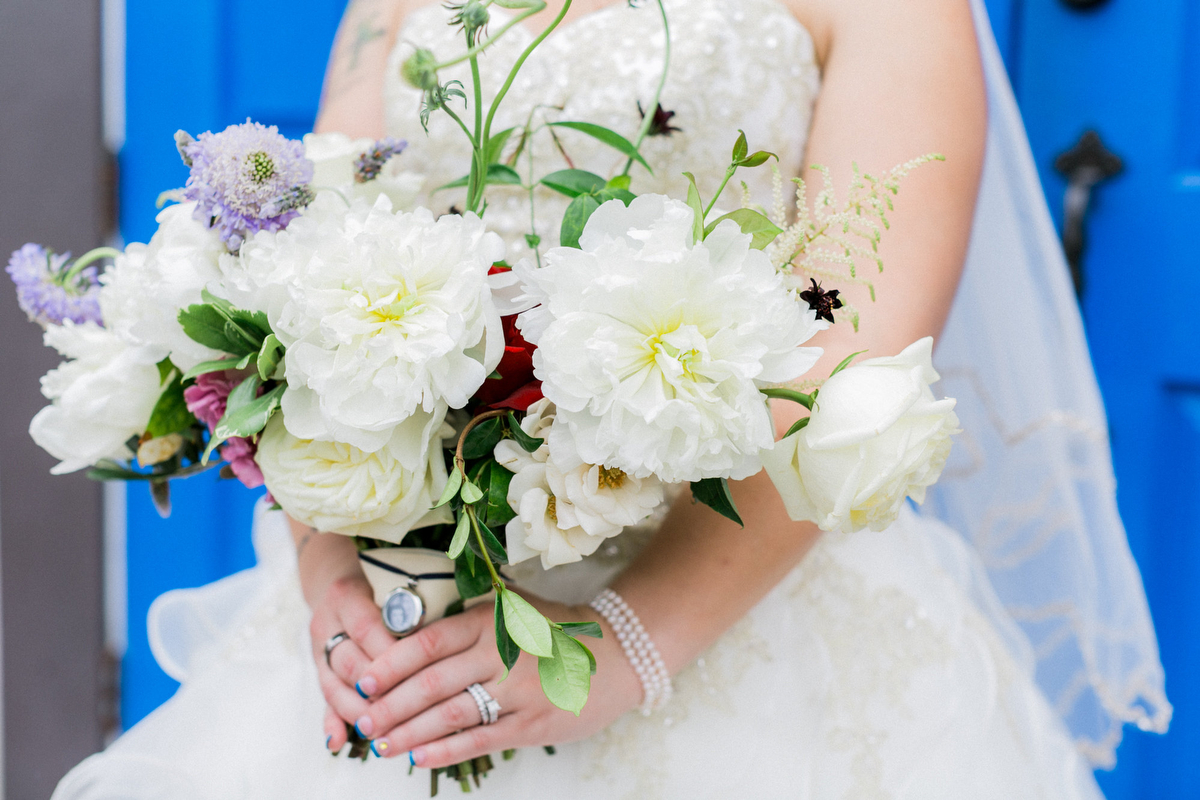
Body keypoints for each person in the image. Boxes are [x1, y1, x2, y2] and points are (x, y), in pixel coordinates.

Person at [54, 0, 1169, 797]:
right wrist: (326, 567)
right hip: (415, 621)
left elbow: (853, 351)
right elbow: (302, 268)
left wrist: (627, 643)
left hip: (740, 611)